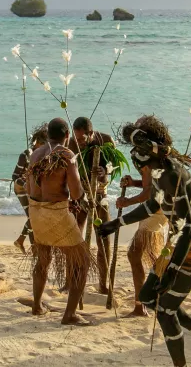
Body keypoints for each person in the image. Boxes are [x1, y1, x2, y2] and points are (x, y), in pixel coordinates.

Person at [98, 115, 191, 367]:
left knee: (165, 310)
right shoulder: (157, 170)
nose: (136, 159)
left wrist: (171, 271)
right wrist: (115, 224)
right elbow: (153, 204)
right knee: (148, 298)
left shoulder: (172, 173)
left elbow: (188, 227)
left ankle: (181, 364)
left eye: (139, 153)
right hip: (177, 244)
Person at [26, 118, 93, 326]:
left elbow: (29, 187)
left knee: (43, 259)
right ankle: (69, 314)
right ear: (67, 136)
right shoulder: (67, 155)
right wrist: (84, 197)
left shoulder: (35, 153)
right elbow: (75, 192)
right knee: (82, 263)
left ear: (47, 135)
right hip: (56, 213)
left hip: (35, 212)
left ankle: (37, 305)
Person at [68, 116, 115, 294]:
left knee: (104, 239)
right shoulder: (71, 144)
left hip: (100, 194)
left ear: (91, 133)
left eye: (82, 139)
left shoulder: (106, 140)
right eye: (76, 137)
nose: (78, 142)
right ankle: (72, 281)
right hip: (80, 195)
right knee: (75, 239)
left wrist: (105, 171)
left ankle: (104, 284)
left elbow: (114, 167)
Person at [115, 163, 168, 318]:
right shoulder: (152, 160)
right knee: (151, 256)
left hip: (155, 210)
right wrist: (134, 183)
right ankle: (158, 295)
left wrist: (128, 201)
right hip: (155, 209)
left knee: (134, 254)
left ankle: (140, 306)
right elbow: (150, 185)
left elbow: (150, 192)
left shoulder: (150, 162)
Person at [12, 123, 49, 254]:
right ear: (38, 142)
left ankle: (23, 241)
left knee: (34, 217)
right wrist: (25, 183)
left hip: (32, 188)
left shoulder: (43, 156)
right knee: (32, 216)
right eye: (44, 144)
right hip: (21, 188)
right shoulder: (25, 155)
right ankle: (31, 245)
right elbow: (14, 176)